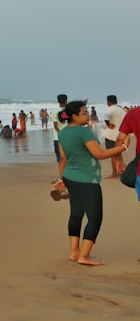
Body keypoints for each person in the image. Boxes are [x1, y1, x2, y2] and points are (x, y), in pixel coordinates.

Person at [53, 100, 128, 266]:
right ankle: (84, 256)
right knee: (95, 217)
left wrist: (60, 179)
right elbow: (99, 154)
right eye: (84, 112)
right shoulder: (84, 132)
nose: (88, 115)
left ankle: (74, 252)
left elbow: (63, 158)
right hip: (87, 180)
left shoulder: (63, 133)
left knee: (76, 214)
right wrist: (123, 148)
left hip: (70, 177)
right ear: (74, 116)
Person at [102, 95, 127, 178]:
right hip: (120, 135)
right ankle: (121, 170)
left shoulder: (110, 109)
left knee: (113, 154)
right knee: (118, 154)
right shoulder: (121, 110)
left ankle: (114, 172)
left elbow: (106, 117)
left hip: (111, 135)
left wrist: (108, 124)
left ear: (108, 101)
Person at [52, 94, 68, 163]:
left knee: (60, 158)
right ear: (66, 101)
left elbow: (55, 126)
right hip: (68, 137)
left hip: (57, 137)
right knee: (68, 158)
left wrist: (61, 133)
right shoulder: (68, 111)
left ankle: (62, 173)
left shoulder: (54, 111)